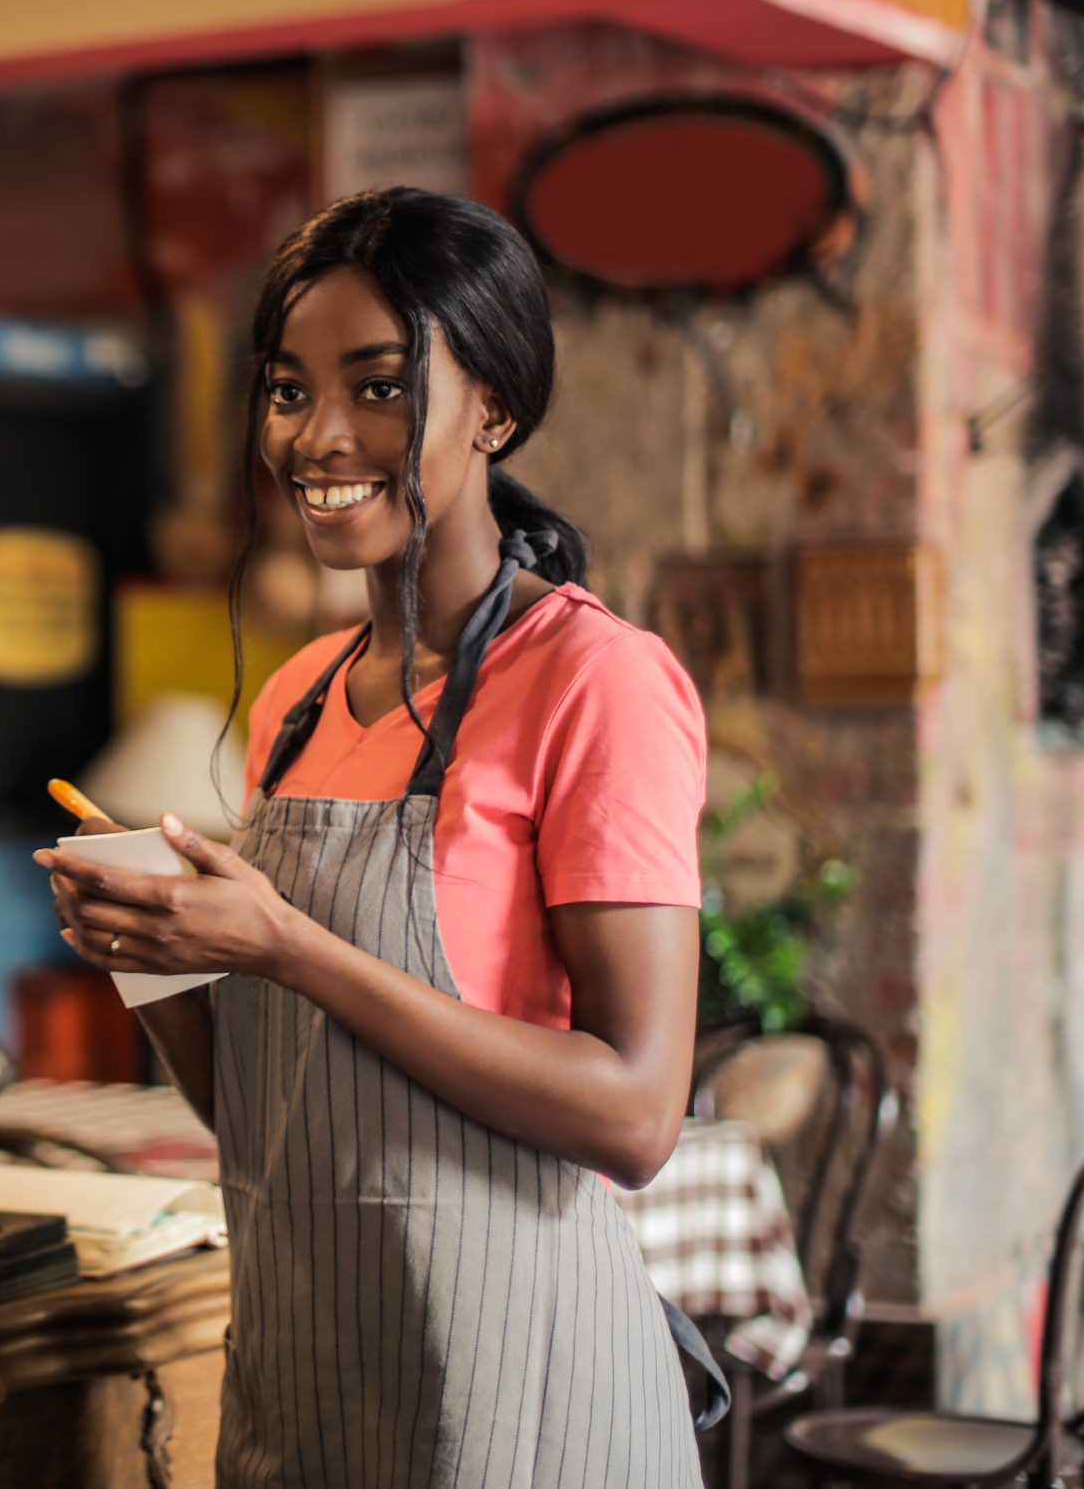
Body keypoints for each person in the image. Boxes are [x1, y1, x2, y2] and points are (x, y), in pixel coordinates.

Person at [38, 189, 716, 1486]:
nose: (319, 436)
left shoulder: (595, 682)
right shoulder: (298, 697)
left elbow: (637, 1115)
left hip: (525, 1397)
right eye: (289, 391)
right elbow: (269, 1114)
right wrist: (154, 951)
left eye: (382, 387)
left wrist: (289, 947)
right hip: (314, 1389)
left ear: (493, 410)